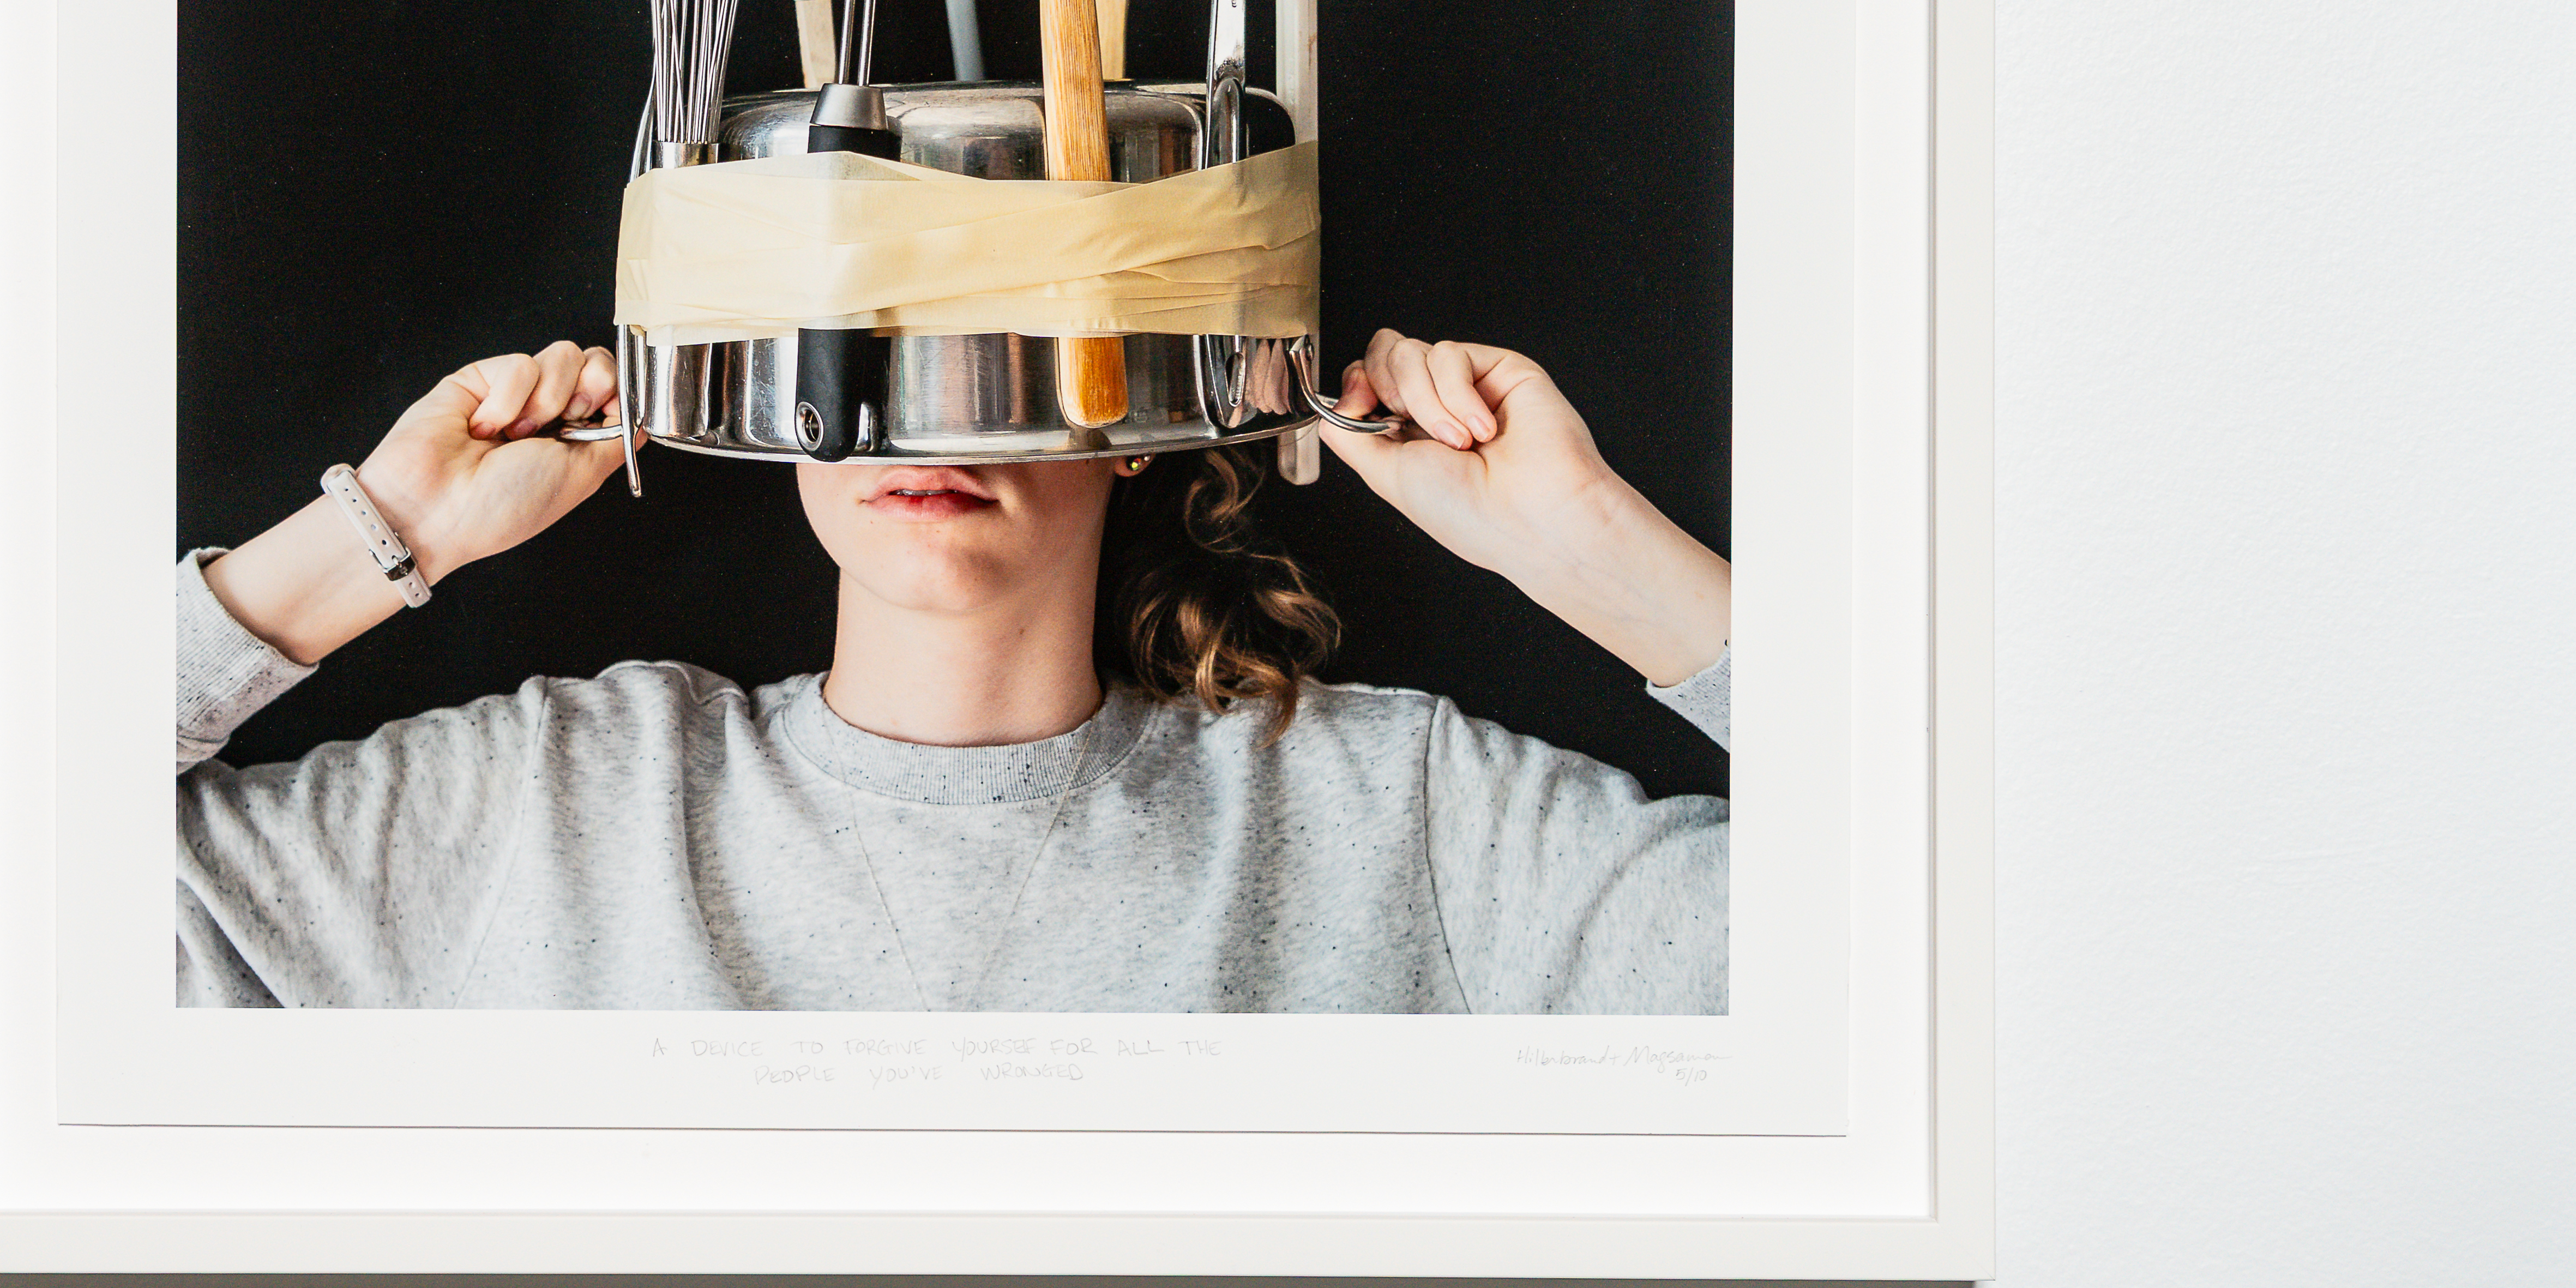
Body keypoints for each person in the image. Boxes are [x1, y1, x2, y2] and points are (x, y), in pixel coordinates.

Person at [174, 330, 1730, 1013]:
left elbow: (1876, 971)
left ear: (1141, 414)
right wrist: (379, 533)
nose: (923, 409)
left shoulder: (1399, 819)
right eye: (863, 335)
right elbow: (22, 890)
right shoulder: (554, 802)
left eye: (1012, 334)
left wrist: (1589, 545)